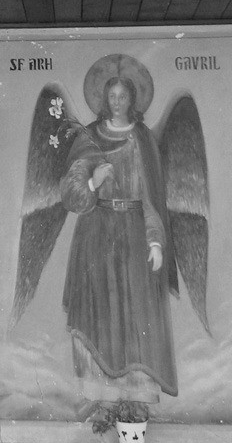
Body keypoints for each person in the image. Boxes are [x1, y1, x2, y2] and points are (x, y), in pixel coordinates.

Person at [59, 75, 176, 404]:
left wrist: (155, 241)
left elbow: (153, 196)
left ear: (132, 100)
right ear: (104, 99)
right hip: (96, 234)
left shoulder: (143, 138)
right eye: (112, 95)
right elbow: (70, 193)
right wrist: (93, 182)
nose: (117, 102)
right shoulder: (90, 137)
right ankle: (99, 394)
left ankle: (135, 394)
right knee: (98, 309)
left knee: (136, 313)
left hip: (134, 234)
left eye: (123, 96)